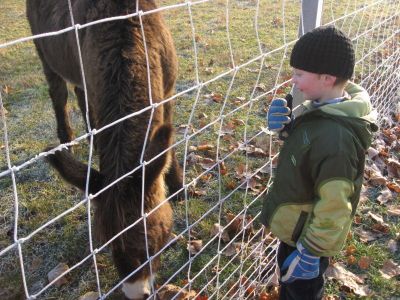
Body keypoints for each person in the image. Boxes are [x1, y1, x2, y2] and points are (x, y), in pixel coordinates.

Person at [260, 25, 378, 300]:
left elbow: (336, 202)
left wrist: (311, 252)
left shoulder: (336, 137)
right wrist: (285, 131)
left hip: (306, 242)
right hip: (296, 233)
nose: (293, 81)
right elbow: (308, 155)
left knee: (303, 293)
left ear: (326, 77)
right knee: (290, 289)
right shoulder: (321, 111)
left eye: (299, 74)